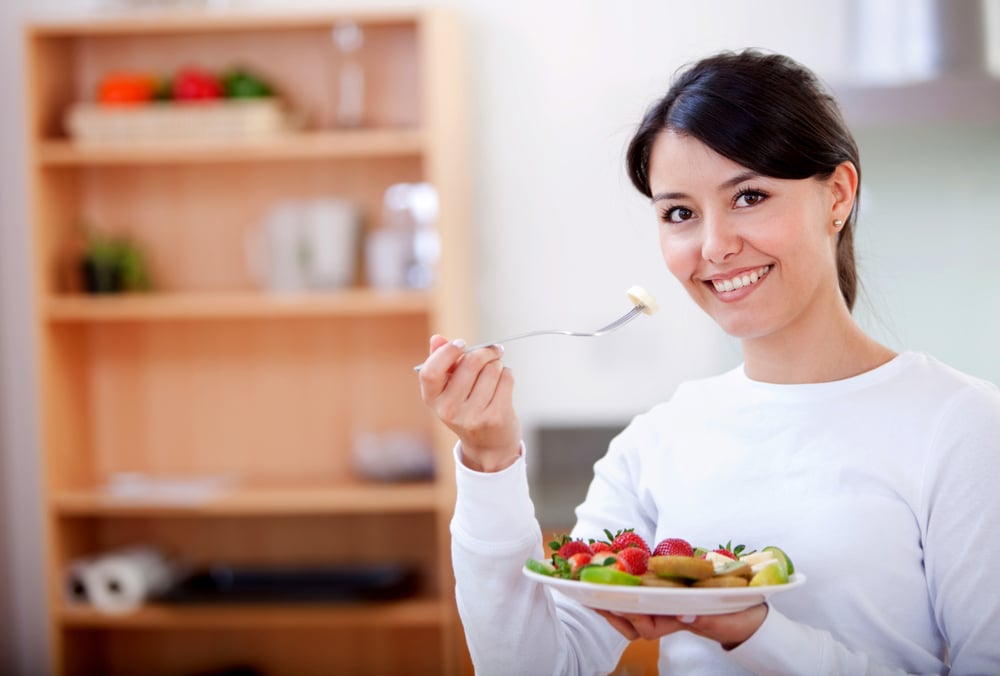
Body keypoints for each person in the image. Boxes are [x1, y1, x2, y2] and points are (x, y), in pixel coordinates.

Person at [417, 49, 1000, 675]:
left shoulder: (963, 426)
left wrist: (752, 631)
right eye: (680, 214)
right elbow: (538, 667)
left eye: (748, 196)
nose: (715, 247)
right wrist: (488, 462)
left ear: (838, 195)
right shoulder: (659, 441)